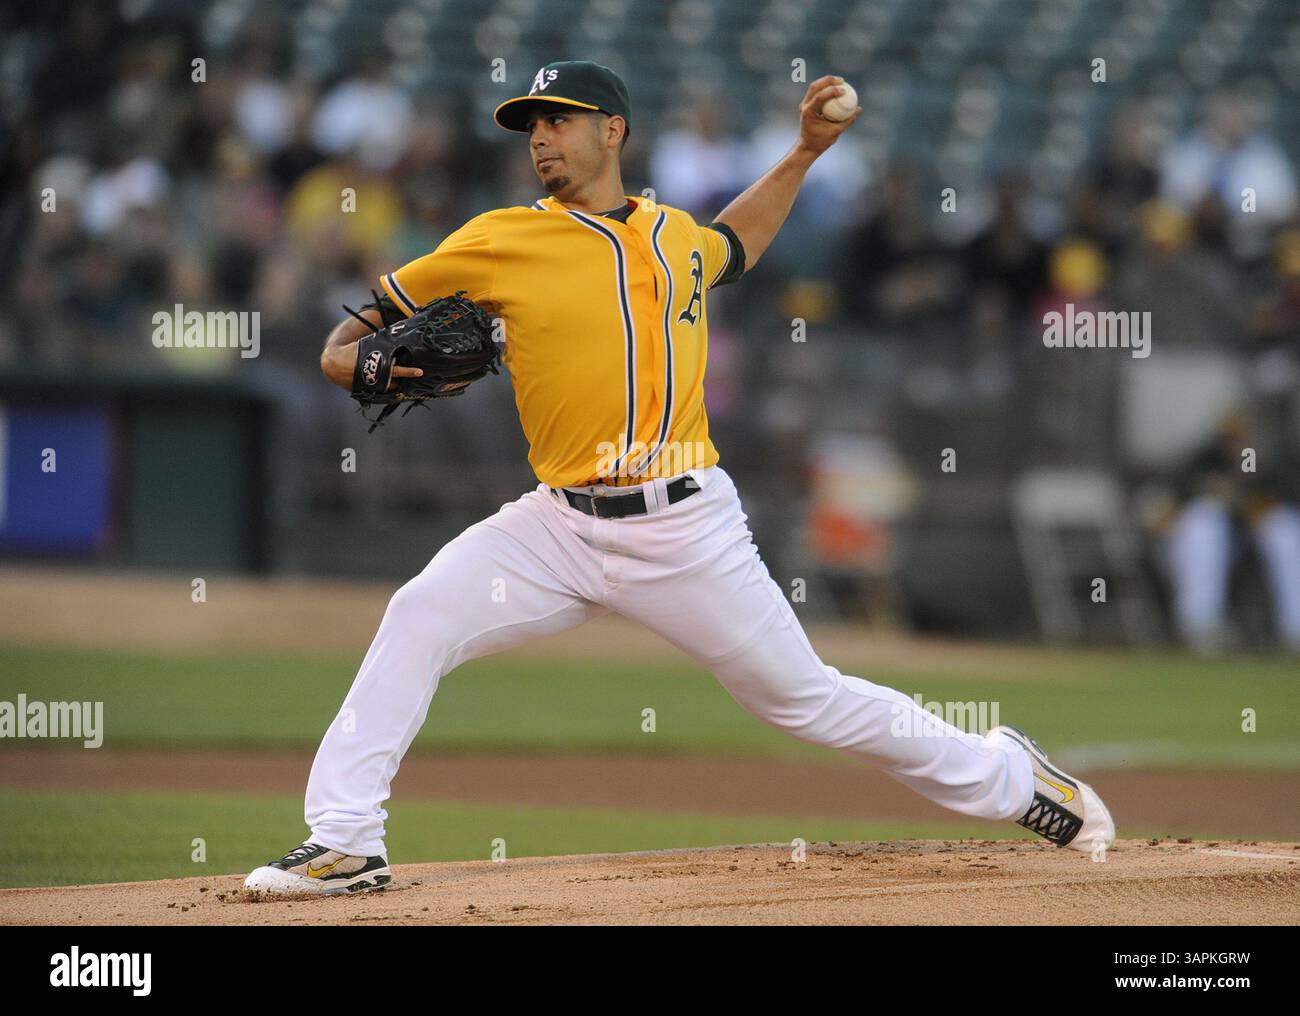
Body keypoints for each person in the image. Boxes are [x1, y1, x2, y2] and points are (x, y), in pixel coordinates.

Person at [244, 61, 1114, 896]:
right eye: (530, 126)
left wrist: (805, 153)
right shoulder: (499, 238)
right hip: (558, 525)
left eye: (558, 120)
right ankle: (347, 841)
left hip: (687, 528)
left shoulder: (671, 237)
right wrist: (352, 368)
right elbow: (349, 337)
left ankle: (1011, 777)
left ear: (612, 129)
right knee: (420, 612)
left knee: (806, 702)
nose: (540, 139)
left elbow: (736, 244)